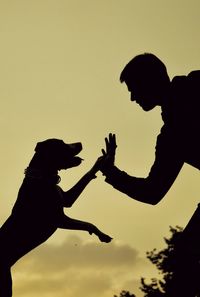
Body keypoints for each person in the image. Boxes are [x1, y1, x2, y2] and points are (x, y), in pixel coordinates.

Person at [100, 53, 200, 205]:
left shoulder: (171, 136)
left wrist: (111, 172)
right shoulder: (170, 137)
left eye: (133, 89)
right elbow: (153, 191)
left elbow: (152, 192)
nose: (132, 98)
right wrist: (111, 173)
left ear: (148, 82)